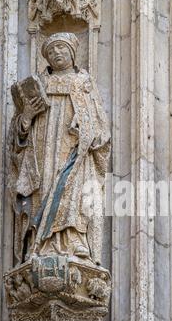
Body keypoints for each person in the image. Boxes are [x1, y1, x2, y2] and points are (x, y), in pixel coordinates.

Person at [9, 32, 110, 266]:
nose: (57, 53)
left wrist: (85, 129)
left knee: (73, 193)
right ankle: (39, 244)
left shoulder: (84, 83)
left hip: (74, 151)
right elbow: (18, 138)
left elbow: (100, 126)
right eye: (51, 51)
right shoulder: (40, 84)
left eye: (61, 48)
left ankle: (73, 240)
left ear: (73, 54)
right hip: (42, 153)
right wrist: (26, 117)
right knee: (43, 191)